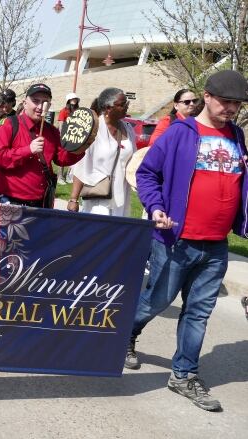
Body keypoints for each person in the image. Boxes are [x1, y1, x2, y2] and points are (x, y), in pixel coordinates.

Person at [127, 70, 248, 412]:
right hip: (175, 239)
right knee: (156, 302)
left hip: (216, 244)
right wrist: (155, 208)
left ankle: (183, 374)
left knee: (198, 313)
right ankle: (125, 336)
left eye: (237, 104)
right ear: (207, 96)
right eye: (226, 101)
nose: (231, 109)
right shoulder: (181, 132)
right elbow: (147, 173)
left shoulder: (237, 136)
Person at [0, 83, 84, 207]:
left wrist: (81, 147)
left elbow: (61, 158)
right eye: (35, 101)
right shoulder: (8, 125)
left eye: (45, 102)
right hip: (10, 199)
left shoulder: (51, 131)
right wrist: (28, 150)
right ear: (24, 102)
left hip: (41, 201)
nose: (40, 106)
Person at [68, 88, 136, 216]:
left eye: (126, 103)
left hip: (121, 195)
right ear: (108, 108)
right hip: (98, 196)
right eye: (122, 105)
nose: (126, 107)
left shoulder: (128, 129)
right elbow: (80, 165)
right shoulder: (93, 129)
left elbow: (134, 162)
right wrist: (73, 199)